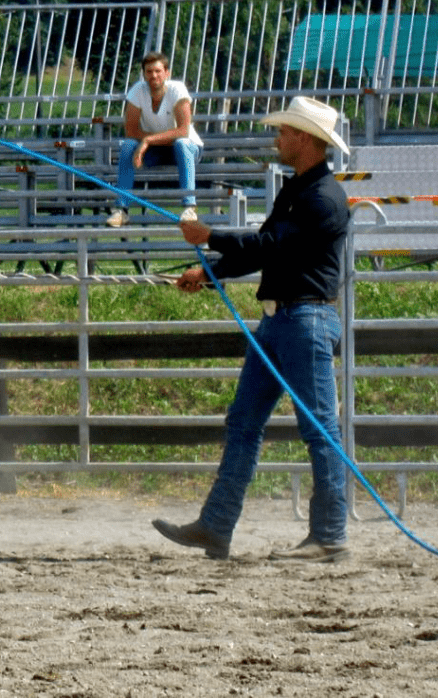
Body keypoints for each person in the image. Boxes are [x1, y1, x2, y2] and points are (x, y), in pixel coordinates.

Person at [152, 96, 351, 563]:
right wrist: (211, 271)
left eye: (284, 132)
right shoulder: (299, 190)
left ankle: (330, 534)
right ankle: (216, 526)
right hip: (282, 321)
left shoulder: (322, 198)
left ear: (304, 138)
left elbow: (271, 245)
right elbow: (266, 248)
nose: (277, 138)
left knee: (319, 431)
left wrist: (210, 237)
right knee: (244, 422)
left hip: (305, 321)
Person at [106, 51, 203, 227]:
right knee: (128, 146)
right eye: (149, 72)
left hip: (185, 148)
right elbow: (131, 130)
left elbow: (183, 131)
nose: (154, 75)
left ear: (167, 73)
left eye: (158, 71)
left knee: (181, 143)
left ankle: (190, 206)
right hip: (156, 151)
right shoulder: (137, 90)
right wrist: (147, 142)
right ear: (144, 74)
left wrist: (148, 140)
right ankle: (121, 210)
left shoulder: (177, 89)